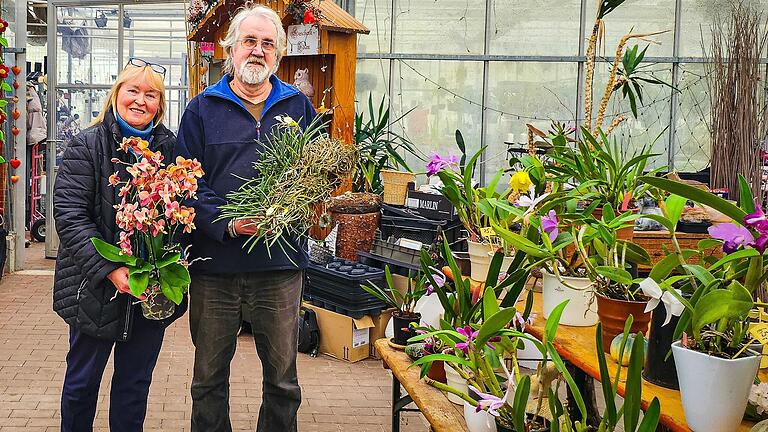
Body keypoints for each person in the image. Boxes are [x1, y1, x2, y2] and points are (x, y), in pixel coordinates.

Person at [173, 5, 316, 432]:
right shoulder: (202, 109)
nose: (257, 51)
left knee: (283, 382)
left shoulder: (297, 106)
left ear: (280, 53)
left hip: (279, 265)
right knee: (209, 380)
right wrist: (230, 224)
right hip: (215, 268)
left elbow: (313, 175)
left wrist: (295, 209)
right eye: (249, 42)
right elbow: (185, 183)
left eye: (267, 43)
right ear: (231, 48)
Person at [52, 58, 186, 432]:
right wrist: (110, 269)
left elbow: (182, 212)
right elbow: (70, 216)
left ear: (160, 103)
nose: (140, 101)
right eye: (133, 90)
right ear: (116, 95)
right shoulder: (88, 145)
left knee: (133, 388)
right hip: (93, 291)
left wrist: (171, 265)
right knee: (81, 386)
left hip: (148, 292)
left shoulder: (170, 150)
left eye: (151, 94)